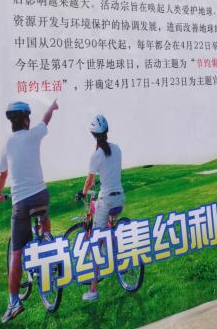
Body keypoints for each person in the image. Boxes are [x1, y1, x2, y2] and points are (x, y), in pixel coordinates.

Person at [0, 97, 60, 324]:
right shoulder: (34, 135)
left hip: (21, 202)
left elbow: (2, 176)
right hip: (41, 194)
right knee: (43, 214)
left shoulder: (7, 145)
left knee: (17, 252)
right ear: (26, 120)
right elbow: (46, 119)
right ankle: (46, 237)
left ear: (11, 122)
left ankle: (14, 302)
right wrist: (52, 107)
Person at [75, 114, 124, 302]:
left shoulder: (96, 156)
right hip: (120, 198)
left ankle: (93, 290)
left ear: (93, 135)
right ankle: (116, 255)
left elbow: (89, 181)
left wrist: (83, 192)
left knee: (96, 243)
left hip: (106, 201)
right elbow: (111, 173)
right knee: (109, 231)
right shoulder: (117, 149)